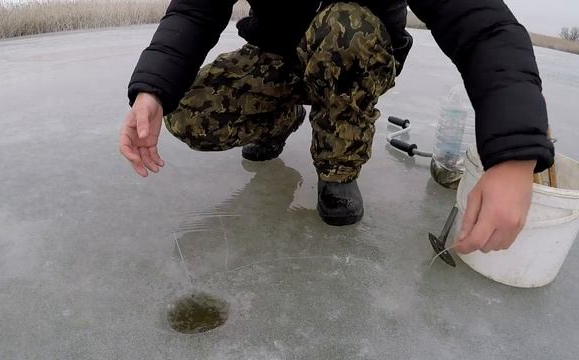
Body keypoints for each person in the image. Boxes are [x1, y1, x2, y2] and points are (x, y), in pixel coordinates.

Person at [119, 0, 555, 255]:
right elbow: (195, 10)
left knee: (346, 29)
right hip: (278, 54)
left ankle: (338, 170)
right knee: (190, 109)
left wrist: (513, 158)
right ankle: (278, 119)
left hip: (352, 57)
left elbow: (484, 27)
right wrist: (153, 90)